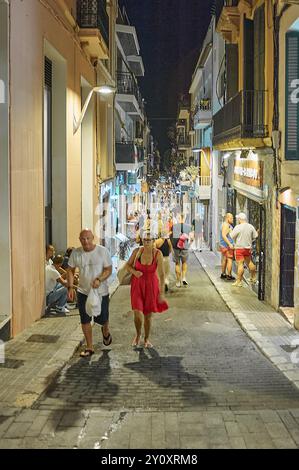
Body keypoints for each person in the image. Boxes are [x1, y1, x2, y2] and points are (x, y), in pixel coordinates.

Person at [67, 229, 113, 357]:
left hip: (101, 292)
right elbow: (70, 269)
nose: (85, 241)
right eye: (82, 239)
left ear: (93, 237)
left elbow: (108, 269)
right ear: (79, 239)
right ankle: (89, 347)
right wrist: (70, 287)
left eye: (88, 238)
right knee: (85, 320)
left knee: (103, 319)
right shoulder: (76, 253)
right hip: (83, 291)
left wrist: (100, 279)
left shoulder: (102, 251)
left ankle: (105, 331)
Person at [126, 231, 168, 348]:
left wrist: (162, 293)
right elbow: (127, 266)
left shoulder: (157, 254)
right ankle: (138, 334)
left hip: (151, 286)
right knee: (137, 313)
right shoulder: (137, 252)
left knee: (148, 316)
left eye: (149, 240)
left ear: (153, 241)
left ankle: (146, 338)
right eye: (144, 240)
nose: (146, 242)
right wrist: (135, 272)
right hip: (137, 285)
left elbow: (162, 274)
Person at [230, 213, 258, 287]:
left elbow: (231, 236)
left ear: (240, 219)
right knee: (249, 263)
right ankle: (253, 277)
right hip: (247, 249)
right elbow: (255, 236)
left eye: (238, 219)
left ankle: (239, 281)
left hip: (239, 248)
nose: (238, 220)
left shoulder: (238, 227)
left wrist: (230, 231)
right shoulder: (250, 226)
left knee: (240, 264)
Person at [170, 213, 193, 287]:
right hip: (185, 247)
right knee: (184, 262)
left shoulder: (174, 226)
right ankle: (184, 278)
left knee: (177, 264)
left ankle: (178, 281)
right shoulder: (188, 227)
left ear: (178, 218)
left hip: (176, 248)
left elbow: (169, 236)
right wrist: (189, 245)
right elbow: (192, 238)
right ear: (184, 218)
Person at [220, 213, 235, 281]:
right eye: (231, 218)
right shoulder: (226, 225)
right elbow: (224, 235)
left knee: (224, 259)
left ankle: (223, 274)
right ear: (227, 218)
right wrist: (229, 244)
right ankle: (229, 275)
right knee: (229, 260)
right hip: (227, 246)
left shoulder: (224, 224)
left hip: (224, 245)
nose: (232, 219)